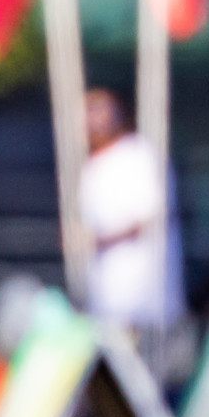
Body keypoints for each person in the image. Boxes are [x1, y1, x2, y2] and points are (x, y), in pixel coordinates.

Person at [79, 87, 185, 380]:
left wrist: (96, 239)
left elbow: (150, 216)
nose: (92, 120)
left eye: (98, 110)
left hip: (141, 298)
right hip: (107, 302)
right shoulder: (91, 166)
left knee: (143, 378)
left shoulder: (139, 155)